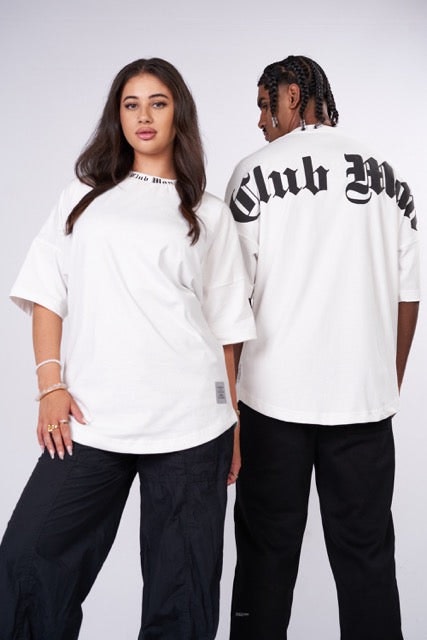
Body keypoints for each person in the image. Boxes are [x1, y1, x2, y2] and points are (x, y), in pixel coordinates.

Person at [0, 57, 255, 640]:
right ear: (117, 116)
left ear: (177, 113)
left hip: (193, 425)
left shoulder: (209, 213)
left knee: (181, 598)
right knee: (27, 563)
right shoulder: (83, 196)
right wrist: (50, 385)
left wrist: (234, 423)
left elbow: (225, 331)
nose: (144, 116)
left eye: (158, 103)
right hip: (92, 419)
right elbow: (46, 293)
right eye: (131, 104)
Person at [226, 55, 419, 640]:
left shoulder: (253, 172)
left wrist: (230, 410)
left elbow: (230, 305)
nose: (260, 120)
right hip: (363, 407)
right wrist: (386, 381)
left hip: (270, 405)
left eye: (264, 104)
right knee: (367, 562)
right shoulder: (391, 178)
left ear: (290, 95)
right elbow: (408, 296)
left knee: (264, 562)